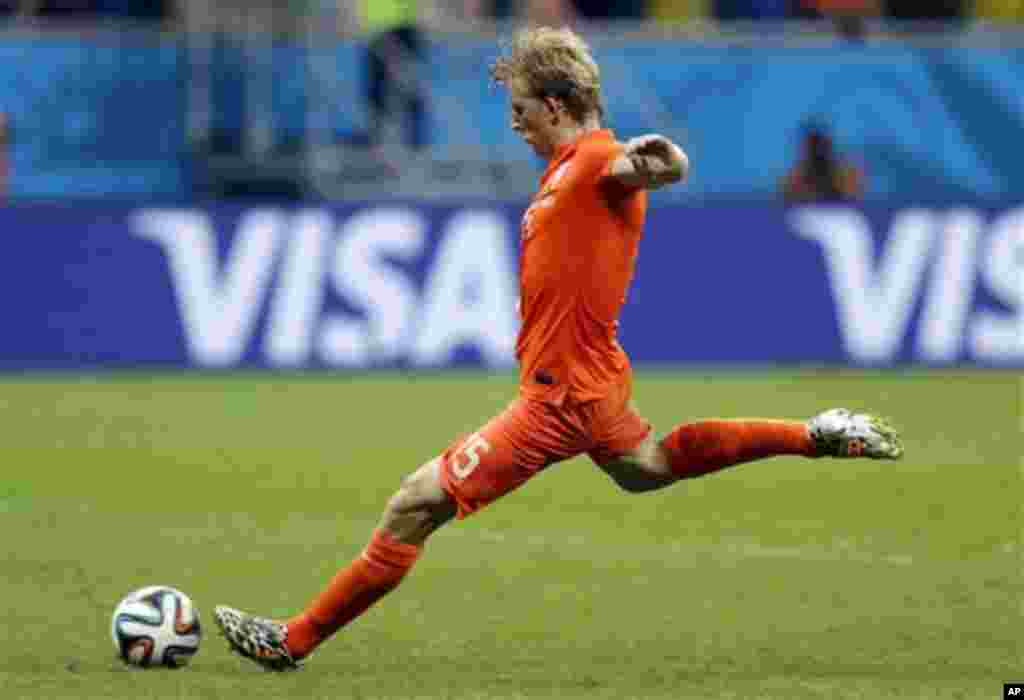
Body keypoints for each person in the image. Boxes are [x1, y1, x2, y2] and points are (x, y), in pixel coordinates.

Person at [213, 27, 903, 671]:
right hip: (595, 380)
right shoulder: (570, 166)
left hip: (558, 397)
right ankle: (815, 434)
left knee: (413, 505)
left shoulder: (598, 160)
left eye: (520, 108)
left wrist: (662, 159)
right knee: (649, 464)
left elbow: (646, 165)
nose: (513, 122)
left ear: (552, 104)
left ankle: (291, 640)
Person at [781, 121, 864, 203]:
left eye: (819, 146)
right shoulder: (798, 175)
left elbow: (853, 195)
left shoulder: (842, 173)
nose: (818, 150)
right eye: (814, 146)